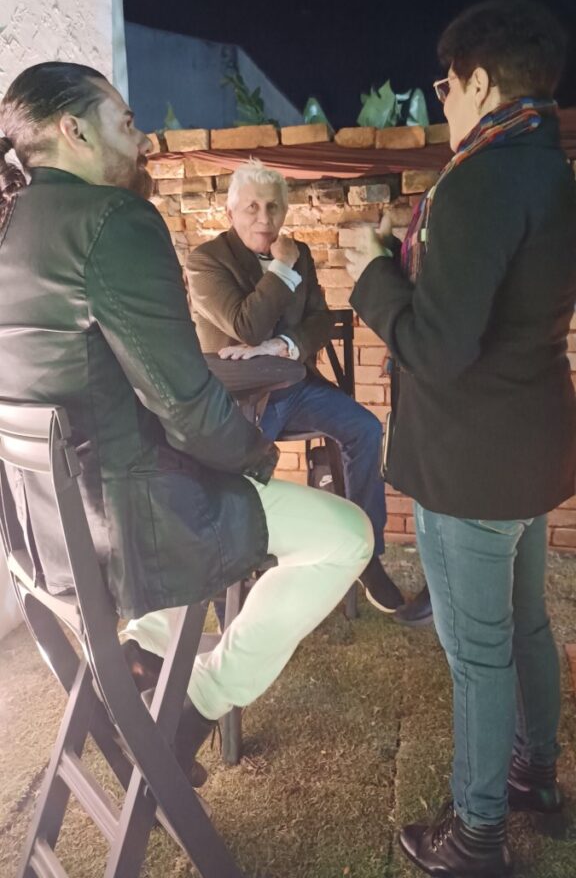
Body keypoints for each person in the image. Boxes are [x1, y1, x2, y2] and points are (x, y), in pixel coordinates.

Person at [0, 62, 373, 782]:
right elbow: (183, 400)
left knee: (196, 482)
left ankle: (139, 657)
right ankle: (196, 702)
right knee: (344, 535)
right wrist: (256, 458)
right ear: (74, 130)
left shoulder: (12, 225)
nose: (141, 136)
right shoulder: (113, 221)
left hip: (44, 530)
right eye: (124, 120)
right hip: (132, 520)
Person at [345, 0, 576, 878]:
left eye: (445, 85)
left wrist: (372, 271)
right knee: (526, 625)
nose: (442, 100)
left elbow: (438, 349)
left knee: (479, 653)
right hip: (528, 447)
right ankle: (534, 776)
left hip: (472, 459)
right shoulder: (549, 169)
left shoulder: (480, 180)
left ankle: (477, 836)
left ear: (479, 81)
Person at [185, 159, 405, 613]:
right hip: (242, 402)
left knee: (366, 429)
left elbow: (321, 320)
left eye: (273, 207)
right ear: (231, 212)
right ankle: (235, 576)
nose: (264, 218)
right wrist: (282, 269)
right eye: (251, 207)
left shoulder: (300, 251)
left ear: (285, 211)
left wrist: (284, 345)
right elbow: (245, 326)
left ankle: (367, 555)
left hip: (299, 389)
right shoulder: (206, 260)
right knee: (234, 478)